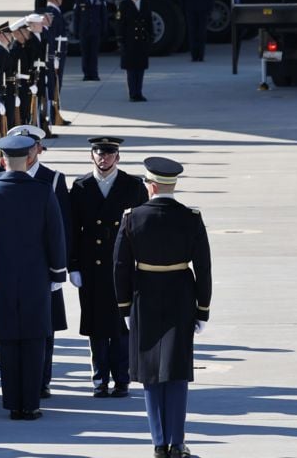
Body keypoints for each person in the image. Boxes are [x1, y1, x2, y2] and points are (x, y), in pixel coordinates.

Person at [113, 157, 212, 458]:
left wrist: (124, 306)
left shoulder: (132, 217)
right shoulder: (191, 217)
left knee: (151, 372)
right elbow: (204, 268)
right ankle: (177, 442)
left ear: (151, 186)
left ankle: (158, 442)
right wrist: (202, 309)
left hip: (145, 296)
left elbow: (119, 267)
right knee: (177, 371)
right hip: (181, 296)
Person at [0, 135, 66, 420]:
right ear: (27, 159)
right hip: (37, 276)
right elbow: (55, 235)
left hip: (3, 276)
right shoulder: (43, 190)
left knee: (9, 341)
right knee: (35, 339)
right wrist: (57, 271)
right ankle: (32, 403)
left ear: (2, 160)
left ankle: (13, 403)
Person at [67, 137, 148, 398]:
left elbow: (142, 228)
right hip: (91, 266)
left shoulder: (133, 185)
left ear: (118, 157)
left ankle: (121, 378)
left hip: (122, 264)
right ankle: (100, 378)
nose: (104, 159)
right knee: (96, 325)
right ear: (91, 156)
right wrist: (73, 265)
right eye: (99, 154)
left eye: (109, 154)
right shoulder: (81, 186)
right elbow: (72, 230)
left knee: (122, 326)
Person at [6, 124, 69, 399]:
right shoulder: (3, 177)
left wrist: (61, 268)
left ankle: (43, 379)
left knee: (46, 326)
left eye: (30, 148)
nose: (27, 153)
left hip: (43, 268)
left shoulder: (53, 179)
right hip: (11, 268)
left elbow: (62, 228)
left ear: (38, 149)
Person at [117, 0, 154, 102]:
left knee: (141, 68)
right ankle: (133, 93)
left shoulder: (146, 3)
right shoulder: (124, 4)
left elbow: (149, 22)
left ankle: (139, 92)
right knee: (131, 69)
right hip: (130, 41)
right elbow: (120, 24)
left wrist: (151, 36)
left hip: (142, 41)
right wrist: (120, 40)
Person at [73, 0, 108, 81]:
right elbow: (76, 17)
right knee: (85, 54)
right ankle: (86, 74)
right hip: (84, 31)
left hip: (95, 31)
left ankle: (94, 74)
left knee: (94, 54)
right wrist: (76, 31)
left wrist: (104, 30)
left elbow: (104, 16)